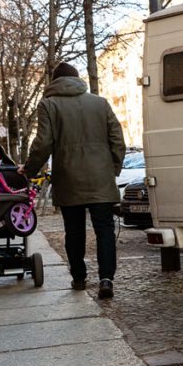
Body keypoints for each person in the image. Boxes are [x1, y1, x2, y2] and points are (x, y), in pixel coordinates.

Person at [20, 63, 126, 299]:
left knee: (74, 231)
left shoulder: (49, 104)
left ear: (54, 81)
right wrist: (113, 169)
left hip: (68, 178)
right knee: (105, 230)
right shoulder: (100, 103)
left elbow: (43, 142)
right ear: (78, 80)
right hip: (101, 178)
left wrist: (28, 170)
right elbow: (117, 139)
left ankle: (79, 277)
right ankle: (106, 279)